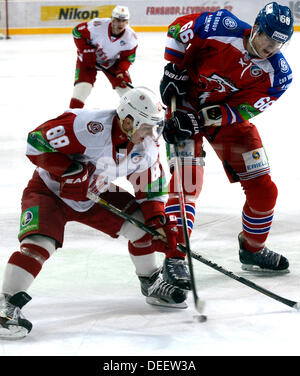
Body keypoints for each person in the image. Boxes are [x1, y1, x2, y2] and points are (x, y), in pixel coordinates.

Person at [0, 87, 188, 339]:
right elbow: (35, 142)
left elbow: (150, 188)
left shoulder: (147, 145)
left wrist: (158, 221)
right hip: (50, 191)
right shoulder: (86, 126)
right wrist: (67, 170)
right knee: (38, 245)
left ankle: (151, 282)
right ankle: (6, 305)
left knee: (144, 228)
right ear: (128, 120)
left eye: (155, 128)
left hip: (95, 194)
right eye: (146, 127)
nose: (151, 135)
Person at [159, 2, 294, 285]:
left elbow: (241, 110)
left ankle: (253, 249)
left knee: (264, 190)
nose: (270, 49)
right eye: (268, 40)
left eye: (278, 45)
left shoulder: (278, 75)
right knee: (187, 181)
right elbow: (176, 30)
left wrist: (199, 121)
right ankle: (174, 256)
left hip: (225, 121)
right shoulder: (219, 25)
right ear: (255, 28)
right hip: (184, 104)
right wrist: (173, 68)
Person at [69, 5, 138, 108]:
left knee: (127, 92)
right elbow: (76, 32)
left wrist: (121, 70)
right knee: (82, 89)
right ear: (112, 19)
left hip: (111, 62)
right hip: (87, 60)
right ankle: (71, 116)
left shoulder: (131, 38)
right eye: (117, 20)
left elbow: (128, 59)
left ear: (127, 22)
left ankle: (131, 117)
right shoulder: (97, 25)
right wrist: (85, 49)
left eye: (123, 21)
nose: (120, 24)